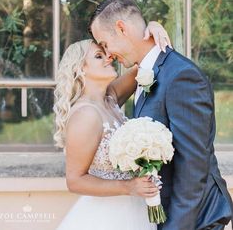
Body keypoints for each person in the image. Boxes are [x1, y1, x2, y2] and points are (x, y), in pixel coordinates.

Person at [89, 0, 233, 230]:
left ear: (121, 28)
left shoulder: (181, 76)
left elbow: (192, 169)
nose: (108, 54)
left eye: (105, 44)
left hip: (196, 219)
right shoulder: (147, 72)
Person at [54, 22, 170, 230]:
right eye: (99, 56)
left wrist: (152, 27)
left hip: (136, 207)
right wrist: (129, 187)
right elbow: (75, 181)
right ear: (80, 69)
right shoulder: (85, 115)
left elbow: (145, 62)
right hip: (107, 216)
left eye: (106, 53)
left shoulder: (110, 98)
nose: (109, 58)